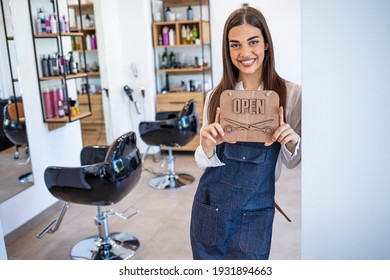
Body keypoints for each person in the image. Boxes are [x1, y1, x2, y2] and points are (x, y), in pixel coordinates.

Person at [190, 6, 301, 260]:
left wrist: (292, 141)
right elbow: (202, 163)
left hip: (255, 214)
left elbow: (292, 161)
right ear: (227, 50)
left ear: (266, 44)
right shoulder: (215, 97)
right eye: (235, 45)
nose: (245, 53)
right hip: (210, 210)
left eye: (253, 42)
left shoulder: (290, 94)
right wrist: (207, 146)